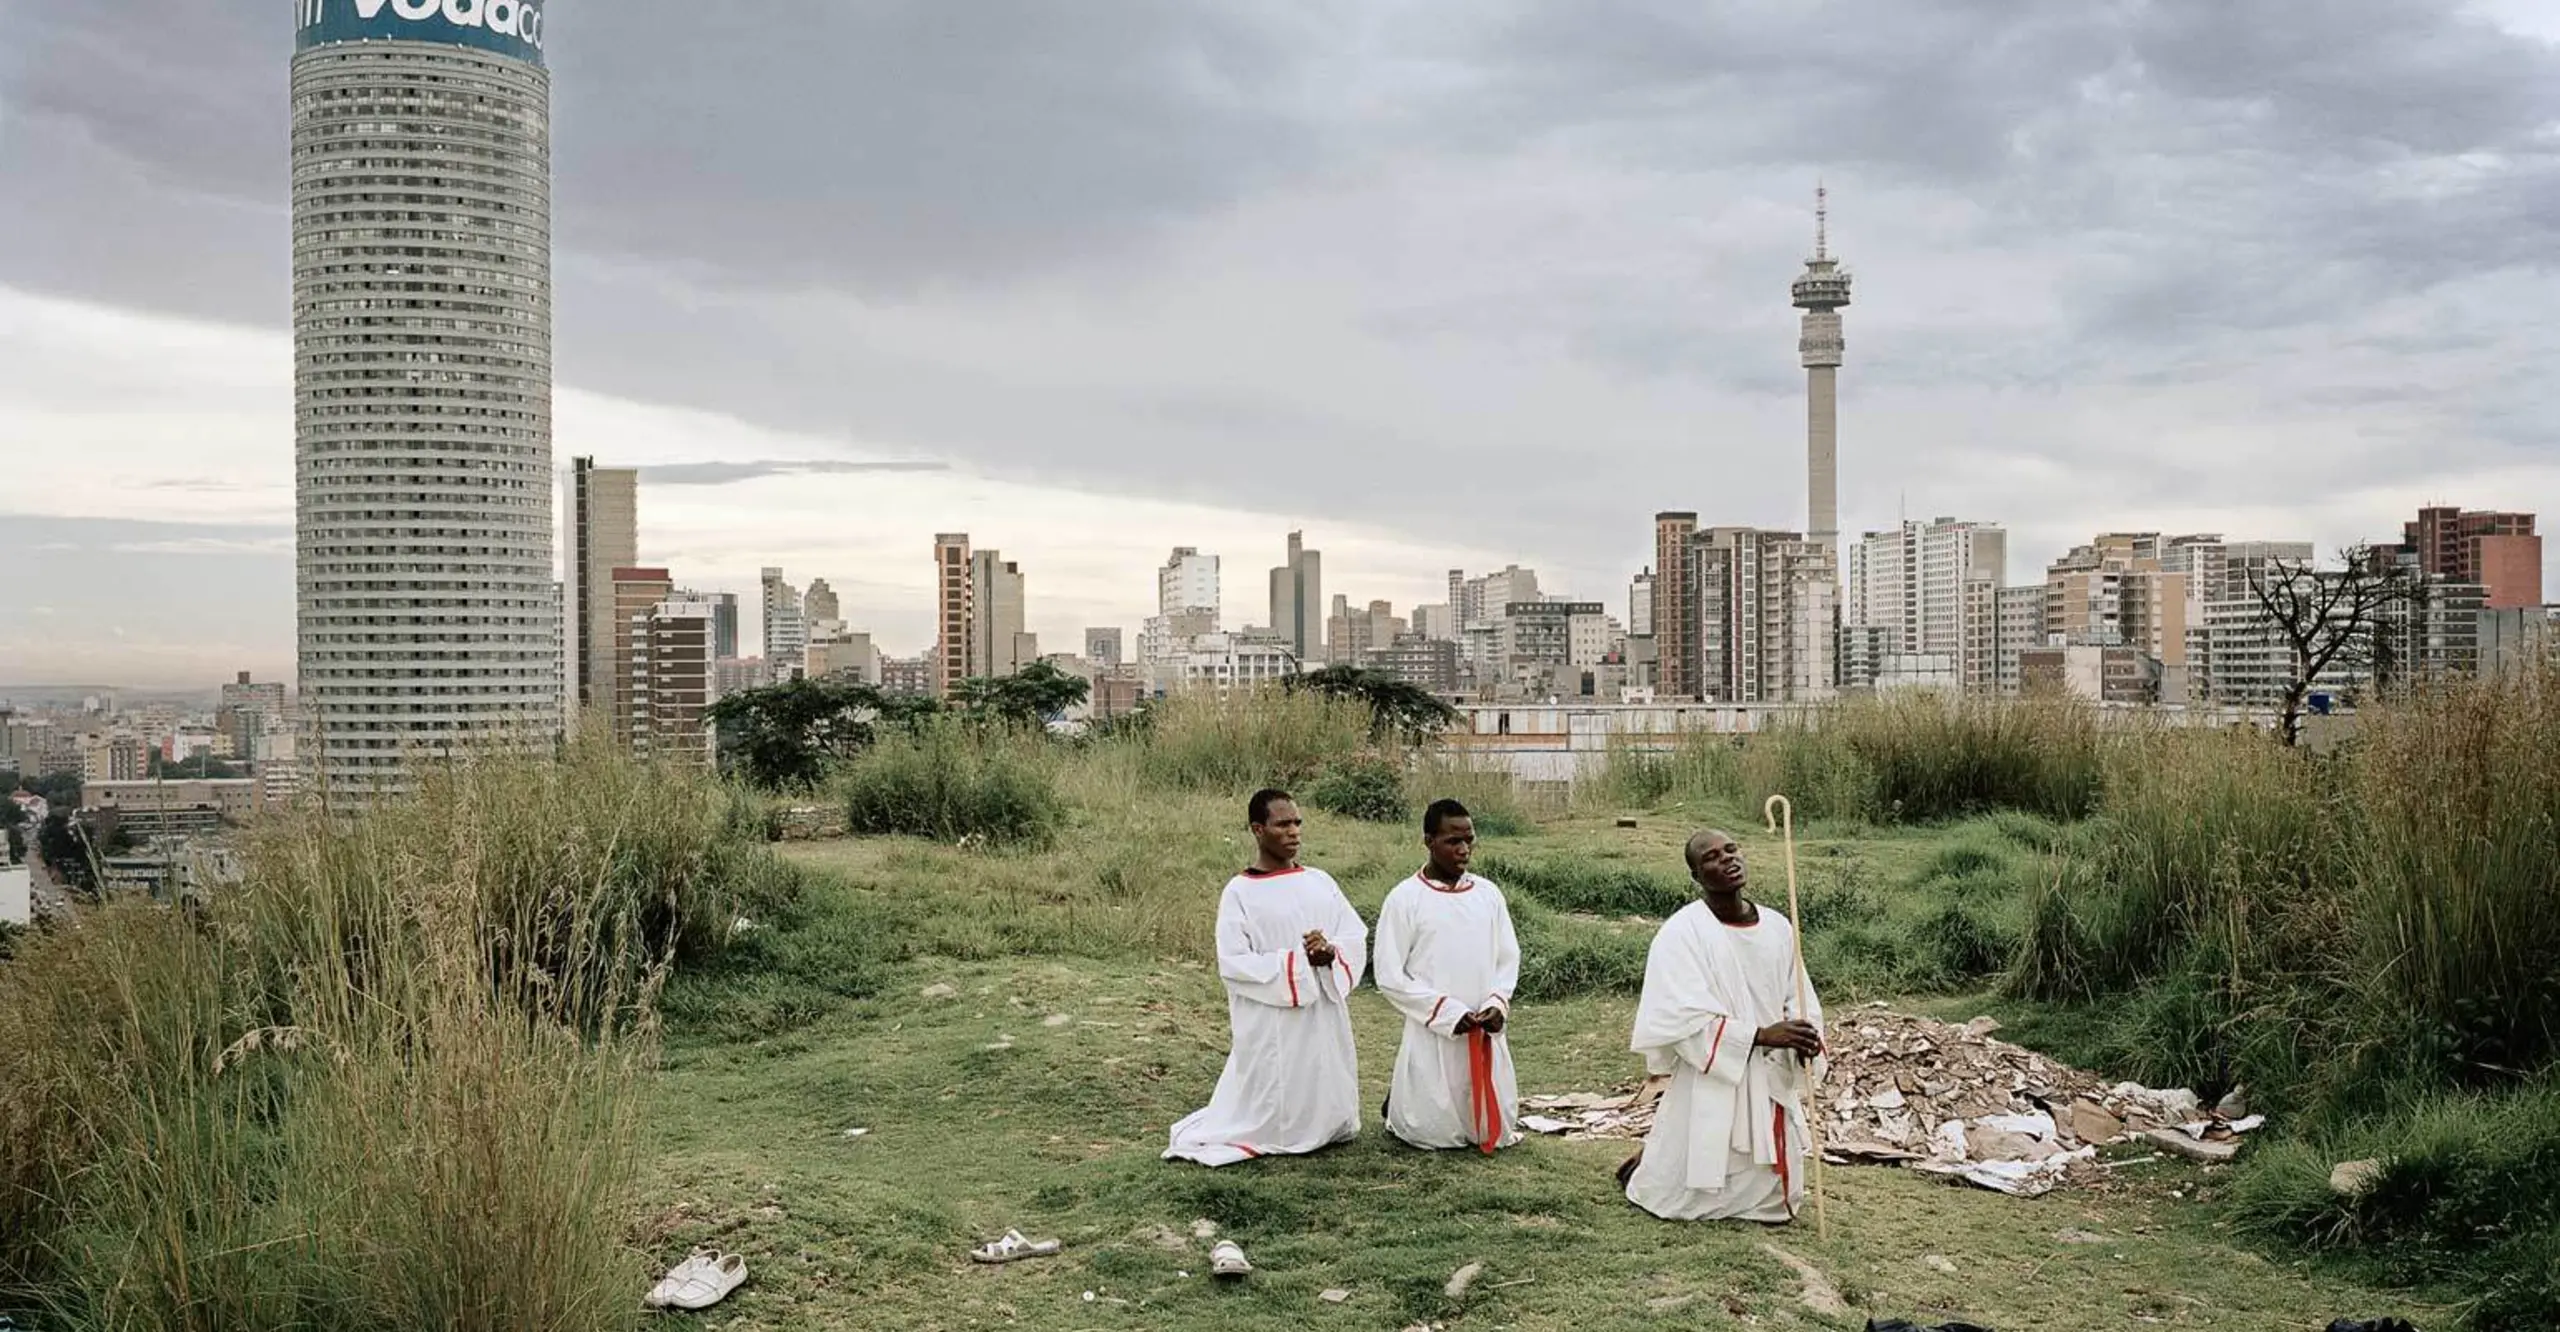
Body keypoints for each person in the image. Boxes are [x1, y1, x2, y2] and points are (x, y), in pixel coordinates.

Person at [1620, 828, 1827, 1222]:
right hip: (1712, 1076)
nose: (1728, 859)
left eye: (1731, 850)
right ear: (1696, 876)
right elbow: (1679, 1015)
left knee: (1775, 1204)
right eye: (1712, 857)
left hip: (1769, 1074)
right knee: (1679, 1195)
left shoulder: (1779, 926)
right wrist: (1759, 1036)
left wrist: (1803, 1035)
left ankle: (1758, 1195)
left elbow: (1798, 993)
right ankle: (1651, 1167)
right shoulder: (1681, 934)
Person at [1164, 789, 1369, 1167]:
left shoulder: (1321, 880)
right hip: (1271, 1015)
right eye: (1282, 824)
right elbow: (1234, 961)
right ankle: (1276, 1128)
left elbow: (1353, 933)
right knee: (1276, 1081)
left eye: (1297, 823)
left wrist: (1330, 952)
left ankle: (1326, 1121)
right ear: (1258, 830)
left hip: (1321, 1006)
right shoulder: (1239, 892)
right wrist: (1294, 964)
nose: (1294, 832)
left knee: (1322, 1066)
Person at [1371, 798, 1522, 1153]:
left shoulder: (1488, 895)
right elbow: (1390, 974)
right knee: (1431, 1127)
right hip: (1434, 1027)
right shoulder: (1404, 899)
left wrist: (1497, 1003)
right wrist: (1444, 1013)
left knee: (1489, 1124)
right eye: (1453, 841)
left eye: (1469, 840)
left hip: (1483, 1024)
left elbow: (1507, 957)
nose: (1464, 849)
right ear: (1429, 840)